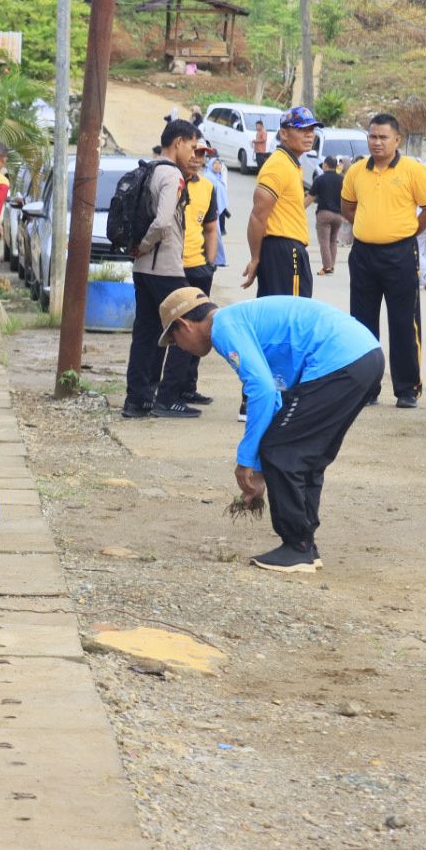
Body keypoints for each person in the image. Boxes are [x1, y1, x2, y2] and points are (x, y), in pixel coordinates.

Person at [159, 288, 383, 574]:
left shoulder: (223, 327)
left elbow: (261, 391)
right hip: (365, 356)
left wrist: (246, 461)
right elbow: (276, 399)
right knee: (304, 454)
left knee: (281, 450)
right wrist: (259, 468)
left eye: (174, 340)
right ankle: (304, 545)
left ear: (184, 325)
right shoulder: (237, 319)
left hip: (341, 361)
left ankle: (297, 547)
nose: (179, 348)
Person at [341, 113, 426, 408]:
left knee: (403, 322)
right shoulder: (356, 171)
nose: (377, 142)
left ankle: (407, 389)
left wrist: (407, 233)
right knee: (361, 323)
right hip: (363, 255)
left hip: (400, 255)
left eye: (383, 137)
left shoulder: (413, 170)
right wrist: (368, 227)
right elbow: (347, 207)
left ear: (397, 140)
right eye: (372, 136)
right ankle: (367, 388)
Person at [121, 119, 199, 419]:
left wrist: (139, 250)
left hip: (143, 269)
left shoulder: (149, 169)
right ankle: (168, 397)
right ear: (178, 142)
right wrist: (144, 245)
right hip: (165, 268)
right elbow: (163, 221)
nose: (193, 154)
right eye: (192, 146)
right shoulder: (172, 175)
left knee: (146, 333)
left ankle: (137, 400)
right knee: (190, 328)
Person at [243, 107, 316, 301]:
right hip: (284, 249)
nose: (309, 135)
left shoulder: (290, 163)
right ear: (284, 133)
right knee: (292, 310)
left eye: (311, 130)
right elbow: (257, 216)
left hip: (284, 249)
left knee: (280, 309)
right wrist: (255, 258)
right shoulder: (278, 165)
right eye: (302, 129)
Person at [168, 141, 219, 406]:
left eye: (203, 155)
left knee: (201, 329)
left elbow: (211, 228)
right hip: (174, 269)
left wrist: (210, 263)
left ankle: (188, 386)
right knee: (180, 332)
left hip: (199, 269)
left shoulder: (208, 187)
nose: (197, 158)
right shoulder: (171, 181)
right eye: (195, 152)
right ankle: (170, 391)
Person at [308, 155, 345, 275]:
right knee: (333, 241)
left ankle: (327, 267)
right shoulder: (342, 179)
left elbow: (310, 198)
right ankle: (331, 266)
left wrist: (298, 209)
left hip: (324, 214)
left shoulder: (320, 179)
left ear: (325, 165)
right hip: (338, 216)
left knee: (324, 241)